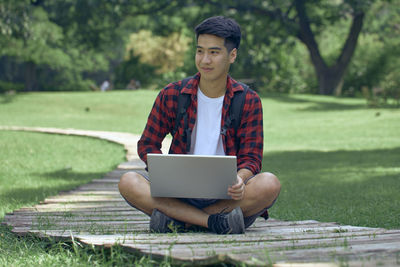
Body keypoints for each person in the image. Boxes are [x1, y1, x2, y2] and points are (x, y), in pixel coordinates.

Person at [119, 16, 281, 235]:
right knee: (129, 181)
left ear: (232, 55)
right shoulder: (172, 94)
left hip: (226, 195)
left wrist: (240, 180)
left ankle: (179, 221)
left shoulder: (248, 100)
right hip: (177, 193)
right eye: (200, 51)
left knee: (269, 184)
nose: (205, 60)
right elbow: (148, 143)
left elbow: (252, 158)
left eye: (214, 52)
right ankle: (214, 223)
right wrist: (163, 171)